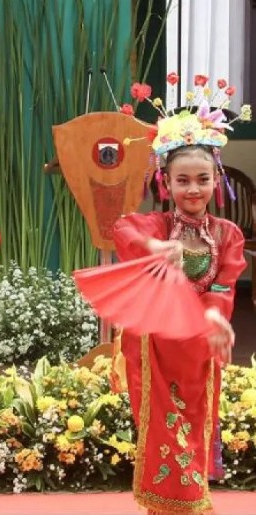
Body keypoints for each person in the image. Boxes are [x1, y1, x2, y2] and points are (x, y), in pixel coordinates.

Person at [112, 77, 249, 515]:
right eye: (183, 181)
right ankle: (183, 508)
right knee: (162, 434)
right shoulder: (154, 227)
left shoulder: (227, 235)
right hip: (153, 349)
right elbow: (123, 231)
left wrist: (216, 316)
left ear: (215, 180)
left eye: (202, 180)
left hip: (198, 352)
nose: (194, 190)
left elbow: (225, 285)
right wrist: (154, 248)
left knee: (192, 430)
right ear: (165, 183)